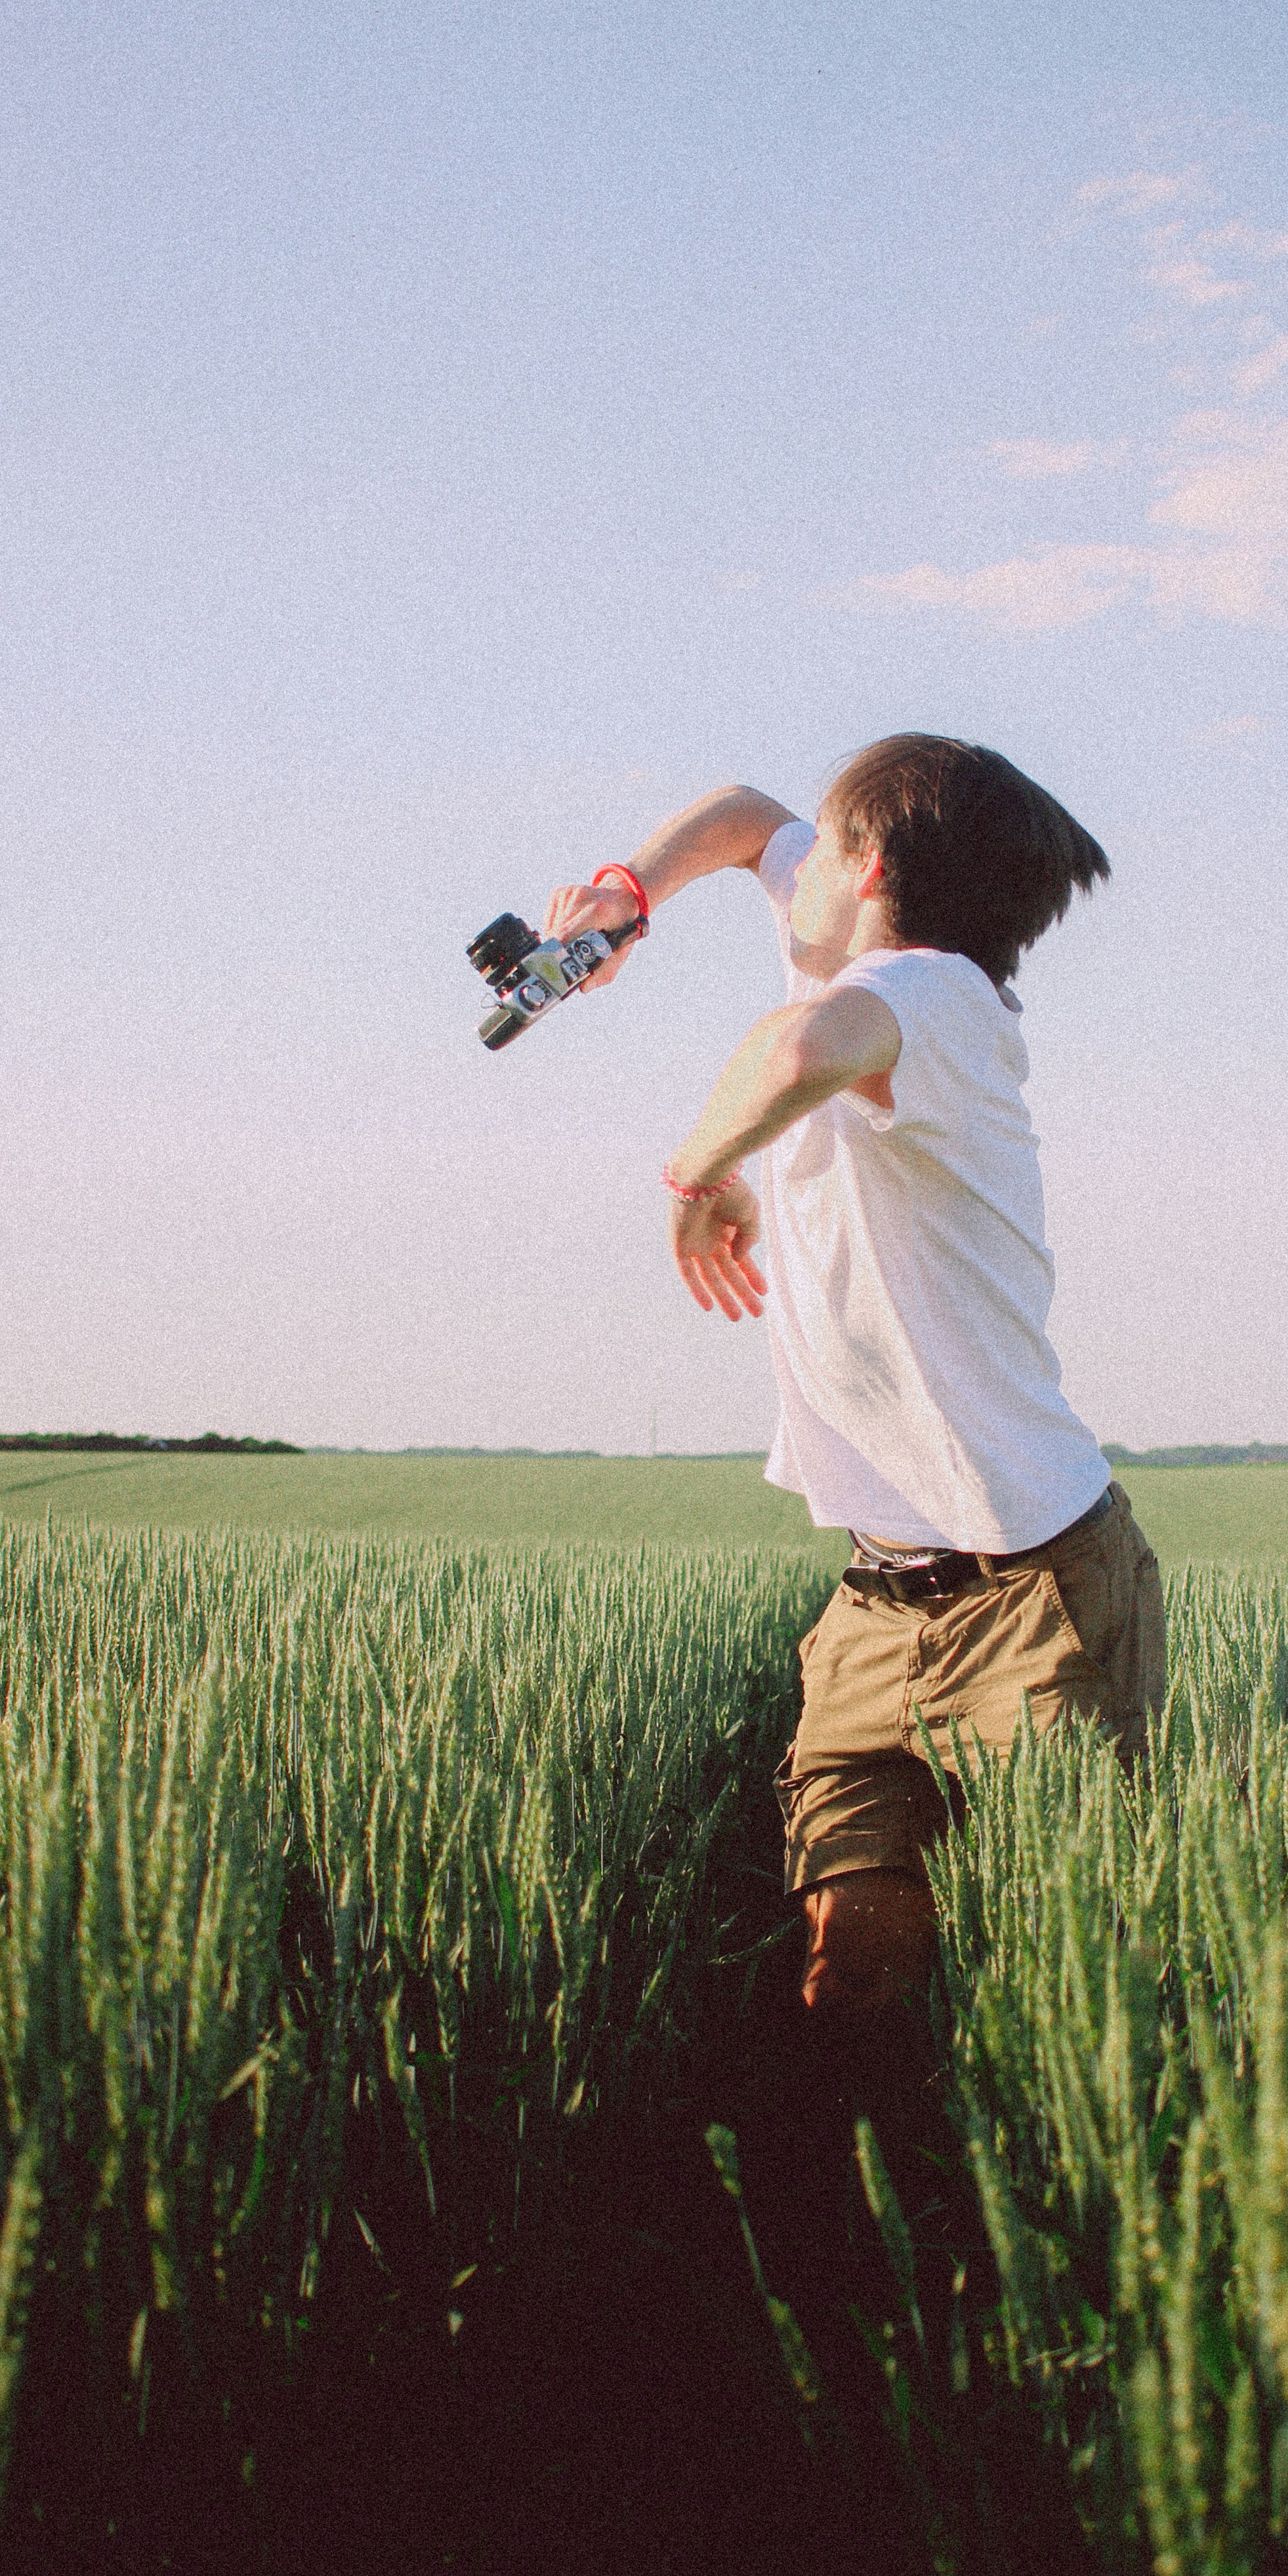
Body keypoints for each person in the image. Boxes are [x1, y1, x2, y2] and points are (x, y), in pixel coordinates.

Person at [543, 736, 1165, 2031]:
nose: (794, 868)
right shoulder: (850, 947)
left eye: (820, 853)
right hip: (883, 1601)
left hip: (1039, 1592)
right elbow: (736, 812)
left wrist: (694, 1178)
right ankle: (876, 2208)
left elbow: (795, 1055)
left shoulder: (933, 998)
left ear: (870, 869)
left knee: (1070, 1986)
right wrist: (624, 898)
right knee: (851, 1972)